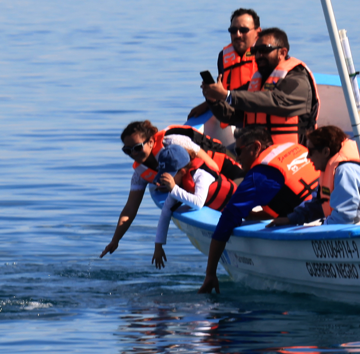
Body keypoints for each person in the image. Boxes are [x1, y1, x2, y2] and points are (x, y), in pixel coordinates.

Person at [197, 127, 319, 293]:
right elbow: (287, 197)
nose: (237, 158)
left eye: (238, 151)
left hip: (314, 226)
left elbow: (227, 220)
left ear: (255, 147)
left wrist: (210, 273)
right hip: (333, 210)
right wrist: (256, 215)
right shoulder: (292, 147)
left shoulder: (262, 174)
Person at [100, 120, 241, 261]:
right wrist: (115, 240)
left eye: (137, 148)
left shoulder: (174, 143)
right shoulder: (139, 174)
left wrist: (189, 185)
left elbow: (212, 166)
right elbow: (130, 209)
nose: (133, 154)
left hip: (218, 165)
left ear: (150, 142)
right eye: (127, 150)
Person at [270, 125, 360, 226]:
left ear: (326, 152)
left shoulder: (346, 171)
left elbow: (346, 217)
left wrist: (320, 231)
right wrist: (292, 218)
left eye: (311, 151)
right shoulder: (329, 170)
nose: (307, 157)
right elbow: (320, 203)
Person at [201, 28, 320, 146]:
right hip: (255, 151)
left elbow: (276, 101)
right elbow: (231, 115)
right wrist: (213, 101)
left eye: (264, 50)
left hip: (290, 155)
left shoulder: (298, 79)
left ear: (282, 53)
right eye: (255, 51)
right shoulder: (257, 82)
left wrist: (227, 95)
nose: (258, 55)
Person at [147, 144, 236, 269]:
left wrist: (173, 188)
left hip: (243, 209)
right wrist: (158, 246)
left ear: (182, 171)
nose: (165, 182)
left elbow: (198, 203)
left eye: (169, 176)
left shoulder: (201, 175)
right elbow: (166, 211)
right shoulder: (179, 183)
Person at [186, 8, 261, 121]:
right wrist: (210, 100)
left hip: (260, 116)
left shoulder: (266, 55)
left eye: (244, 30)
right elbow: (225, 90)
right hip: (235, 117)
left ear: (258, 32)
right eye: (233, 30)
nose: (238, 34)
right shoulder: (224, 56)